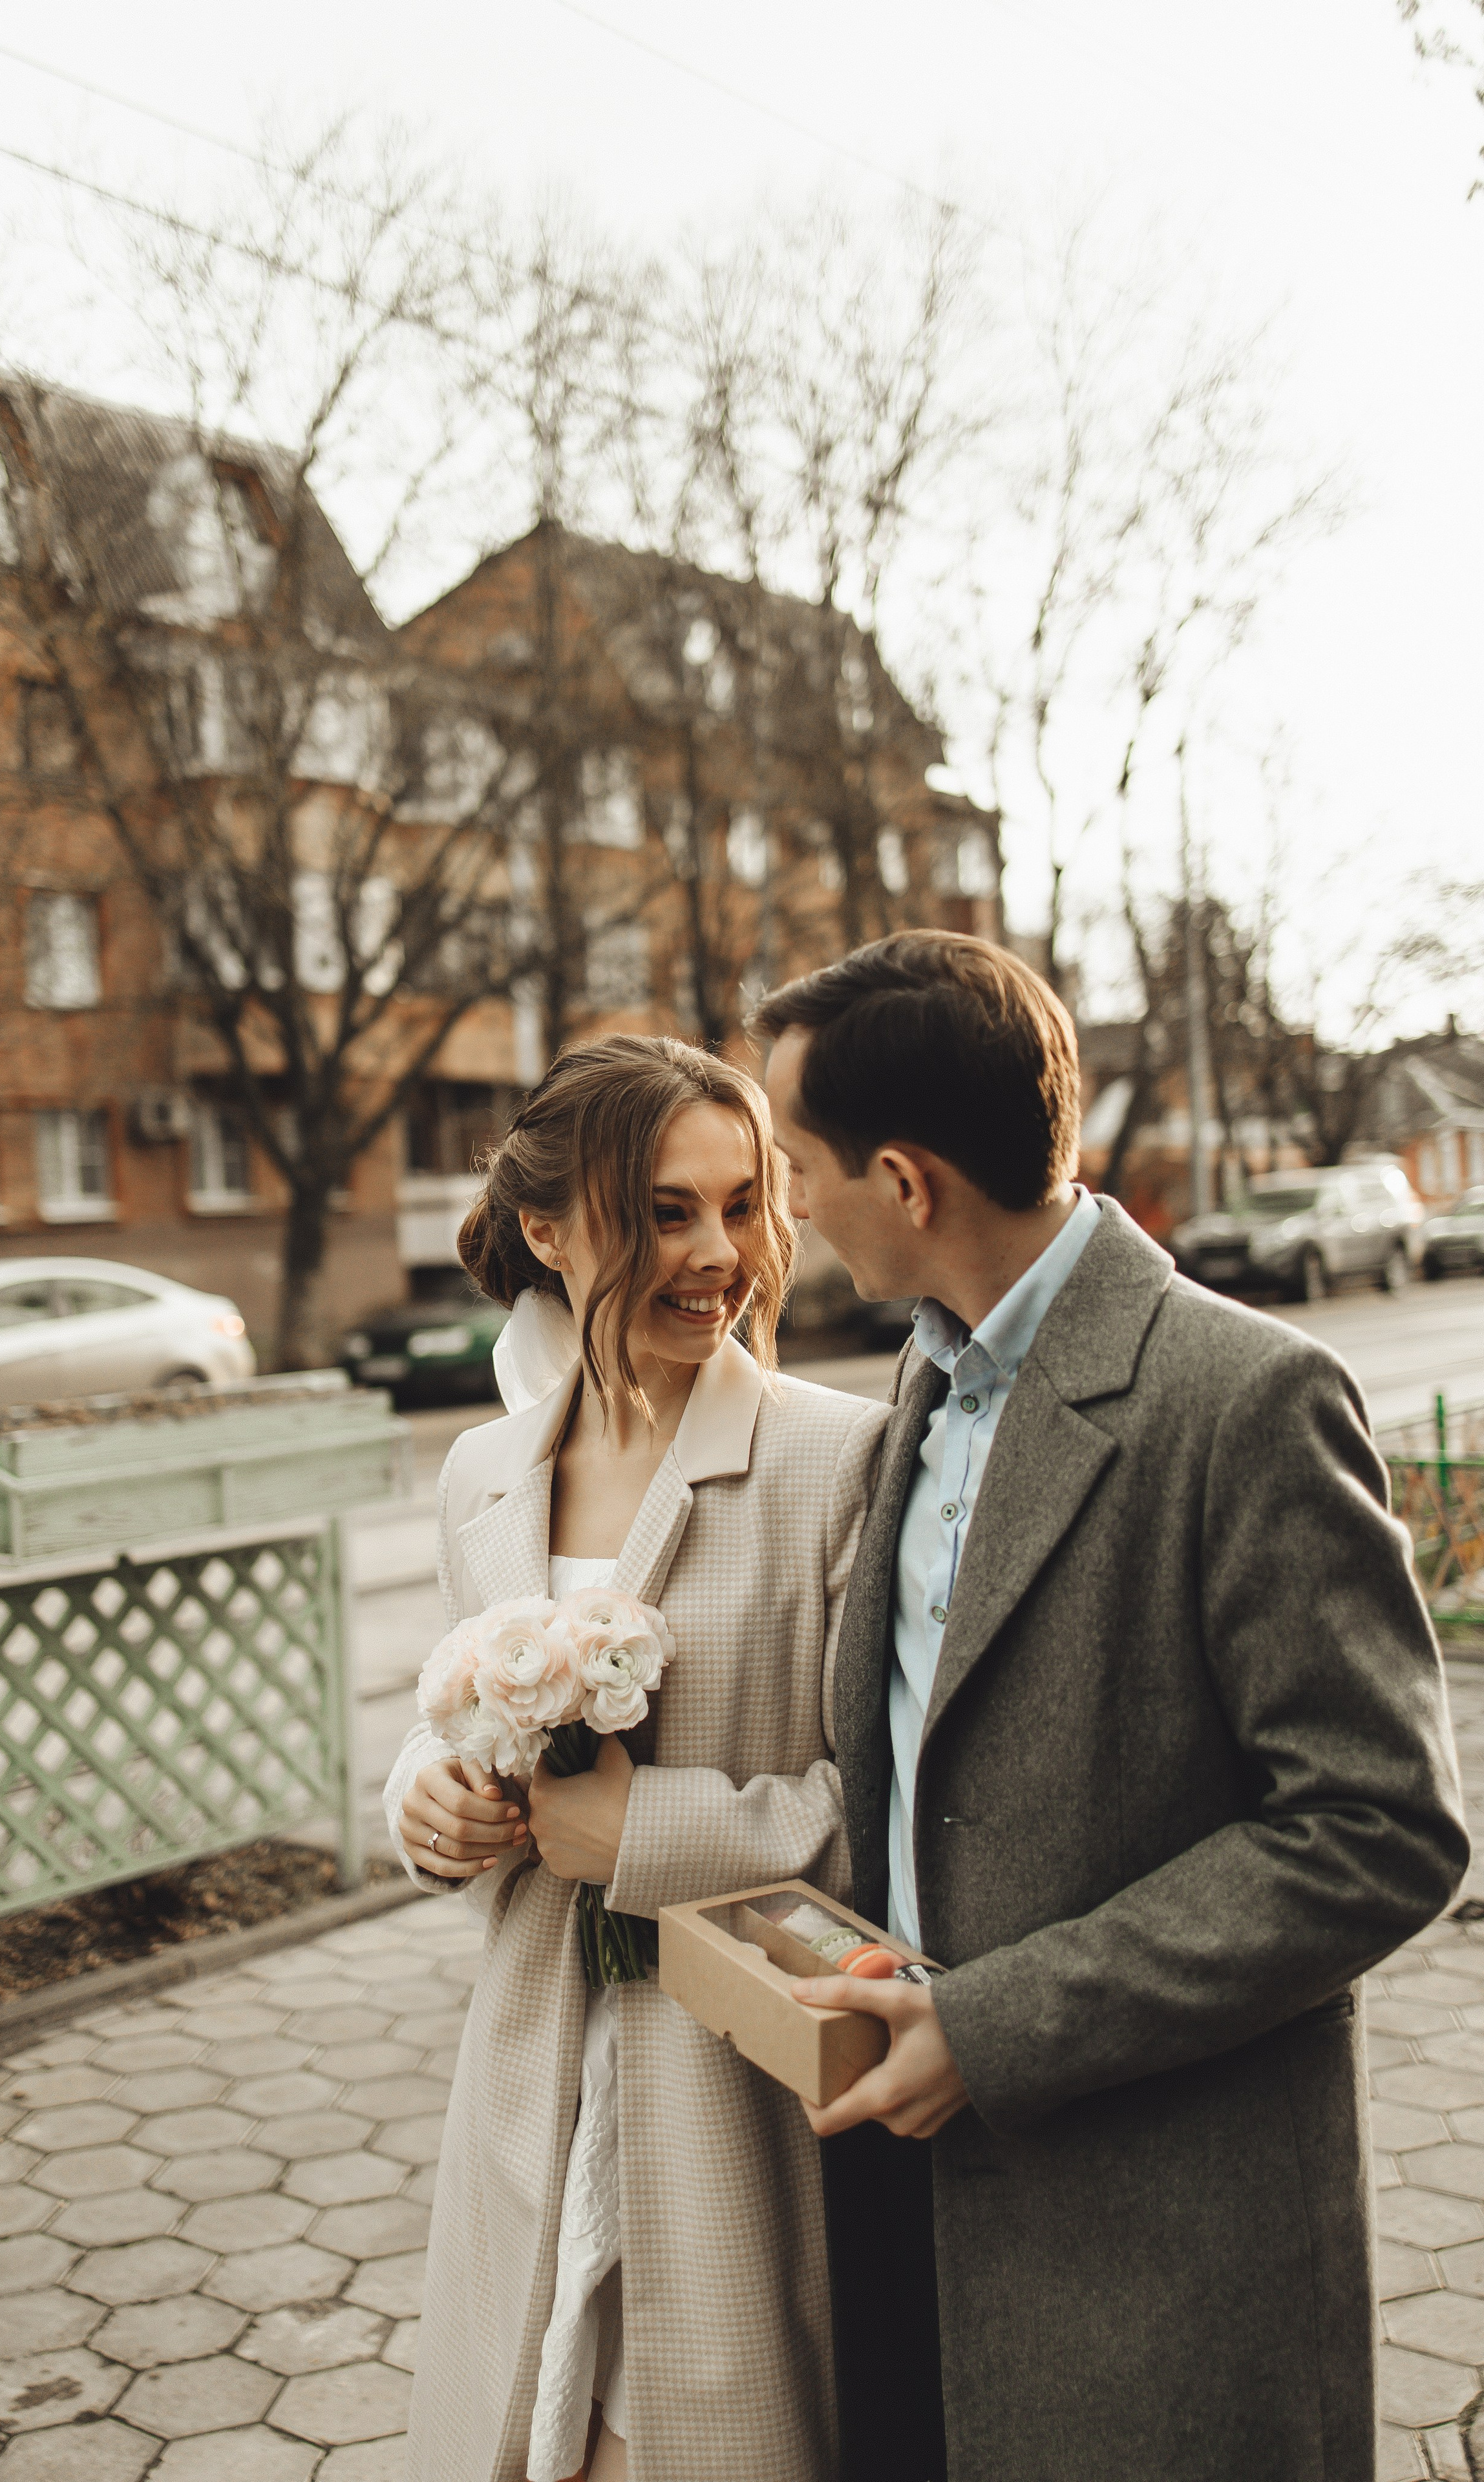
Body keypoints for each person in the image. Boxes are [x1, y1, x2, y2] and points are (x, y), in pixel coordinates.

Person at [748, 929, 1469, 2482]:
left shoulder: (1243, 1398)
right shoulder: (917, 1385)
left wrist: (994, 2028)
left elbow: (1378, 1829)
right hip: (908, 2217)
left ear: (903, 1179)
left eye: (799, 1164)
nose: (789, 1207)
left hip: (1158, 2241)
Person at [384, 1033, 889, 2482]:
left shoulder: (838, 1460)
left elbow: (893, 1818)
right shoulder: (484, 1471)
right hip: (528, 2061)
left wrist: (643, 1835)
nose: (719, 1252)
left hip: (732, 2098)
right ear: (547, 1229)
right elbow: (443, 1709)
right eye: (666, 1210)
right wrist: (424, 1802)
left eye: (744, 1204)